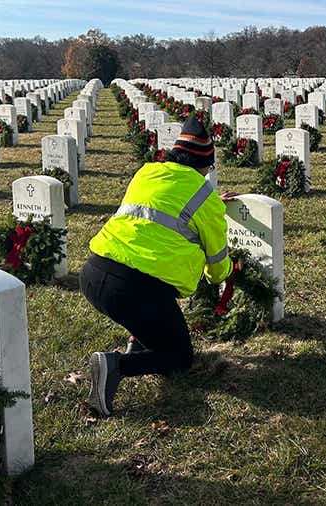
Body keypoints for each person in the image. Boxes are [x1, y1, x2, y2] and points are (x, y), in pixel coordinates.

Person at [80, 117, 234, 417]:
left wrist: (211, 203)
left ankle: (139, 341)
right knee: (179, 356)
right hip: (134, 288)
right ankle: (116, 365)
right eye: (210, 167)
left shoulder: (147, 172)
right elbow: (217, 266)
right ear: (204, 164)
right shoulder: (205, 197)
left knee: (154, 323)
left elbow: (168, 203)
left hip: (93, 273)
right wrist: (229, 273)